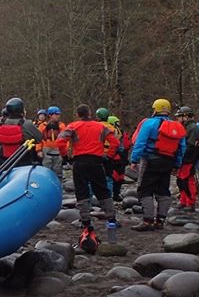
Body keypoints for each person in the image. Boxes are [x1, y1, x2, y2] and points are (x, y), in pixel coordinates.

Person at [56, 104, 120, 250]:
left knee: (82, 192)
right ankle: (111, 219)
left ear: (78, 114)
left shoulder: (73, 127)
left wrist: (65, 155)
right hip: (96, 162)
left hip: (79, 162)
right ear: (90, 113)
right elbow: (115, 142)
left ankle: (86, 223)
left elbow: (60, 141)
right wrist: (108, 156)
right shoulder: (101, 127)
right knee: (103, 191)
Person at [129, 98, 186, 231]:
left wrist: (134, 160)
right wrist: (177, 164)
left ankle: (148, 221)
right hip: (168, 161)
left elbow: (140, 143)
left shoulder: (149, 123)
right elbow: (182, 147)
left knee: (144, 189)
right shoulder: (177, 126)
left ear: (155, 109)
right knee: (163, 190)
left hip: (150, 161)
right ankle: (161, 221)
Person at [0, 97, 43, 166]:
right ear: (21, 111)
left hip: (4, 161)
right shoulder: (27, 124)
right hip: (22, 161)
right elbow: (40, 138)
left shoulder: (0, 123)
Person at [174, 106, 199, 212]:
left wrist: (186, 160)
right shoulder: (185, 127)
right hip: (183, 159)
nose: (177, 119)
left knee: (187, 181)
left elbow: (191, 147)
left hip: (188, 159)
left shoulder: (193, 128)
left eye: (179, 116)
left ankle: (190, 202)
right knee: (180, 180)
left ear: (185, 116)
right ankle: (183, 201)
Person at [108, 115, 132, 202]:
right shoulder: (121, 132)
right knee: (118, 178)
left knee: (113, 178)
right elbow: (128, 145)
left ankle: (111, 196)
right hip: (122, 158)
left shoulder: (110, 132)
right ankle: (115, 195)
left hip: (115, 158)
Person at [38, 106, 64, 180]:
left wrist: (65, 151)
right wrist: (39, 150)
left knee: (58, 171)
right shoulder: (43, 126)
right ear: (50, 115)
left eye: (58, 114)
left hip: (58, 150)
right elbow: (38, 139)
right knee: (46, 170)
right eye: (56, 114)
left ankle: (59, 186)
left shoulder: (61, 126)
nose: (58, 116)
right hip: (46, 150)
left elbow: (65, 139)